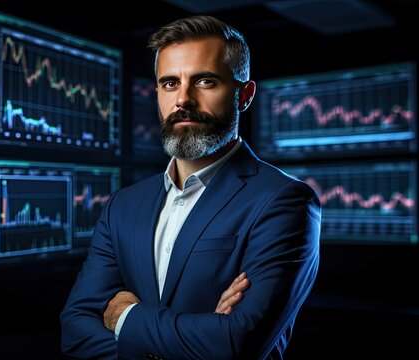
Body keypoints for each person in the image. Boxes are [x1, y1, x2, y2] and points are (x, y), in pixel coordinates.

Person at [60, 15, 321, 360]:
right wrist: (198, 335)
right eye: (170, 83)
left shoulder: (284, 201)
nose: (183, 99)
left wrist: (123, 316)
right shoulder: (123, 205)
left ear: (244, 94)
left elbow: (235, 344)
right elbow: (75, 331)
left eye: (205, 82)